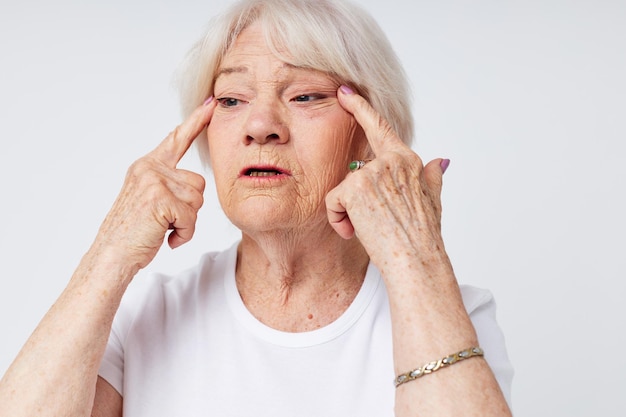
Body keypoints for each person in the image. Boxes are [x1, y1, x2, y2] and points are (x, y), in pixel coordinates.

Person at [0, 0, 513, 415]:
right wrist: (109, 254)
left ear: (370, 138)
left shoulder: (451, 312)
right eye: (231, 99)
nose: (260, 125)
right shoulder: (141, 314)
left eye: (307, 96)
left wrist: (415, 258)